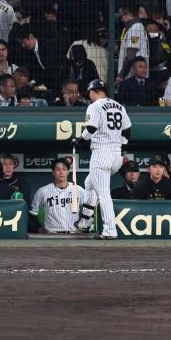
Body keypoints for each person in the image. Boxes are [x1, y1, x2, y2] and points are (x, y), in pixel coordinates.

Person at [71, 80, 132, 239]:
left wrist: (78, 140)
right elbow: (127, 132)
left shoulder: (95, 106)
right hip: (116, 156)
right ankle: (85, 223)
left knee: (103, 194)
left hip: (101, 154)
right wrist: (121, 148)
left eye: (90, 93)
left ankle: (110, 230)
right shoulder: (119, 106)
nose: (89, 96)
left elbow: (91, 129)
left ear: (94, 91)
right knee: (89, 184)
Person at [29, 158, 87, 234]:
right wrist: (39, 228)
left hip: (73, 234)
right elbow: (32, 213)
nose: (61, 172)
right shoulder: (43, 191)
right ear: (53, 172)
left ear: (68, 172)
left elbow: (89, 211)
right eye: (58, 169)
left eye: (64, 169)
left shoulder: (79, 190)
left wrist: (83, 227)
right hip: (51, 234)